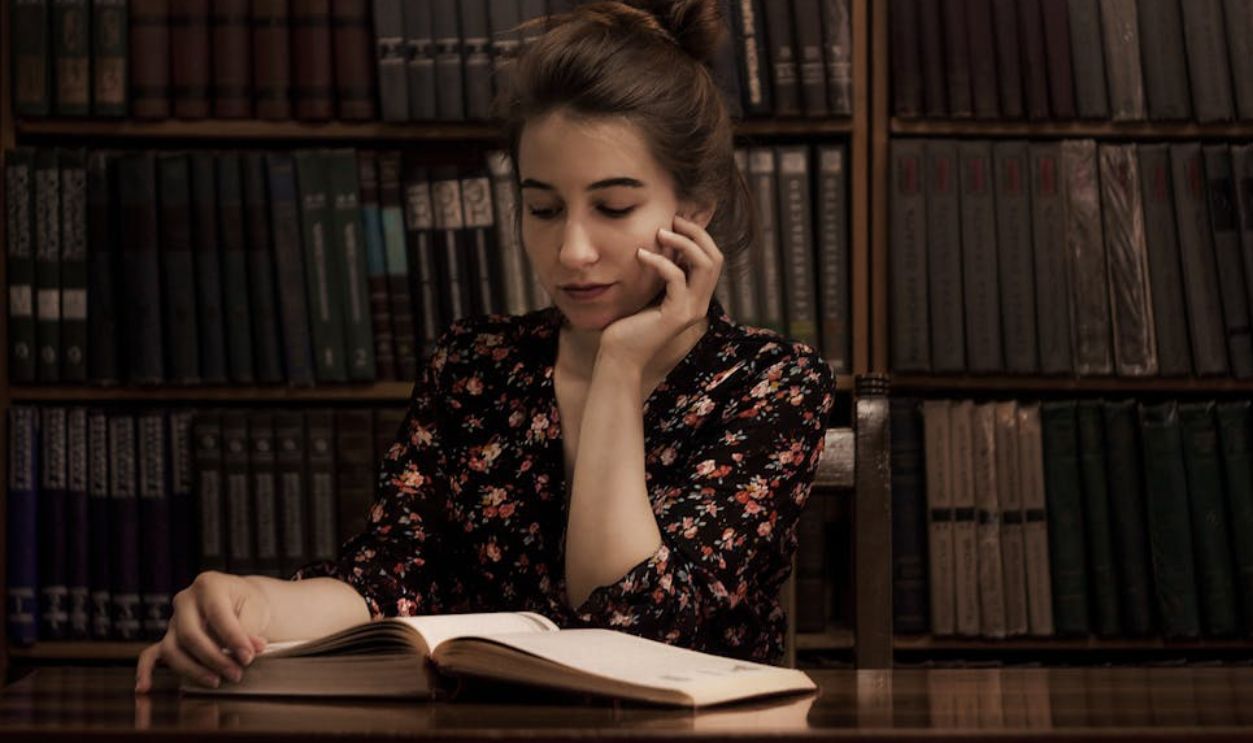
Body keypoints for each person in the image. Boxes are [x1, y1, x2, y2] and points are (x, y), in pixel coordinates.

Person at [135, 0, 835, 694]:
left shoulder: (770, 382)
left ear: (693, 212)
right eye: (542, 208)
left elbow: (631, 619)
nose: (571, 250)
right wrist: (248, 603)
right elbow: (387, 575)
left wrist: (619, 369)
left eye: (614, 207)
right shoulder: (476, 364)